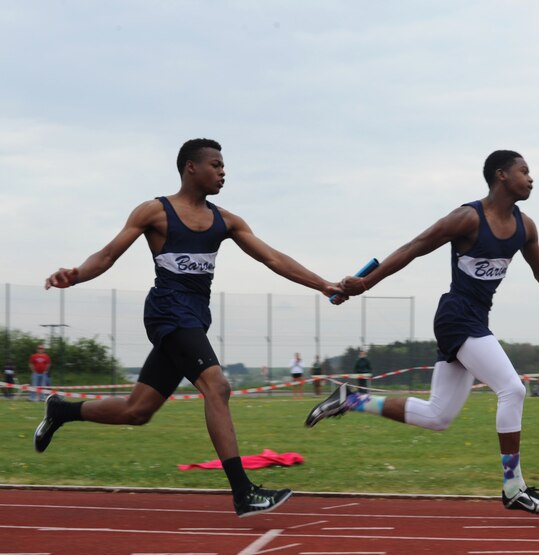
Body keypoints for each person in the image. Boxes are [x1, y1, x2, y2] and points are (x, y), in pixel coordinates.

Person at [34, 138, 344, 518]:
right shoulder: (155, 212)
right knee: (218, 385)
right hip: (167, 311)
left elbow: (274, 258)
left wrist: (323, 284)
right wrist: (76, 275)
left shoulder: (227, 221)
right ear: (190, 168)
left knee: (138, 410)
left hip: (194, 318)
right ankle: (243, 492)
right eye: (216, 165)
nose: (223, 172)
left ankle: (61, 412)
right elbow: (107, 255)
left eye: (224, 166)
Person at [306, 150, 539, 515]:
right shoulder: (467, 218)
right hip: (456, 316)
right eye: (524, 171)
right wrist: (366, 282)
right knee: (512, 389)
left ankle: (352, 399)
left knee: (438, 416)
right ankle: (514, 487)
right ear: (501, 176)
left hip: (476, 318)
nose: (531, 178)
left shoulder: (526, 227)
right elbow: (414, 247)